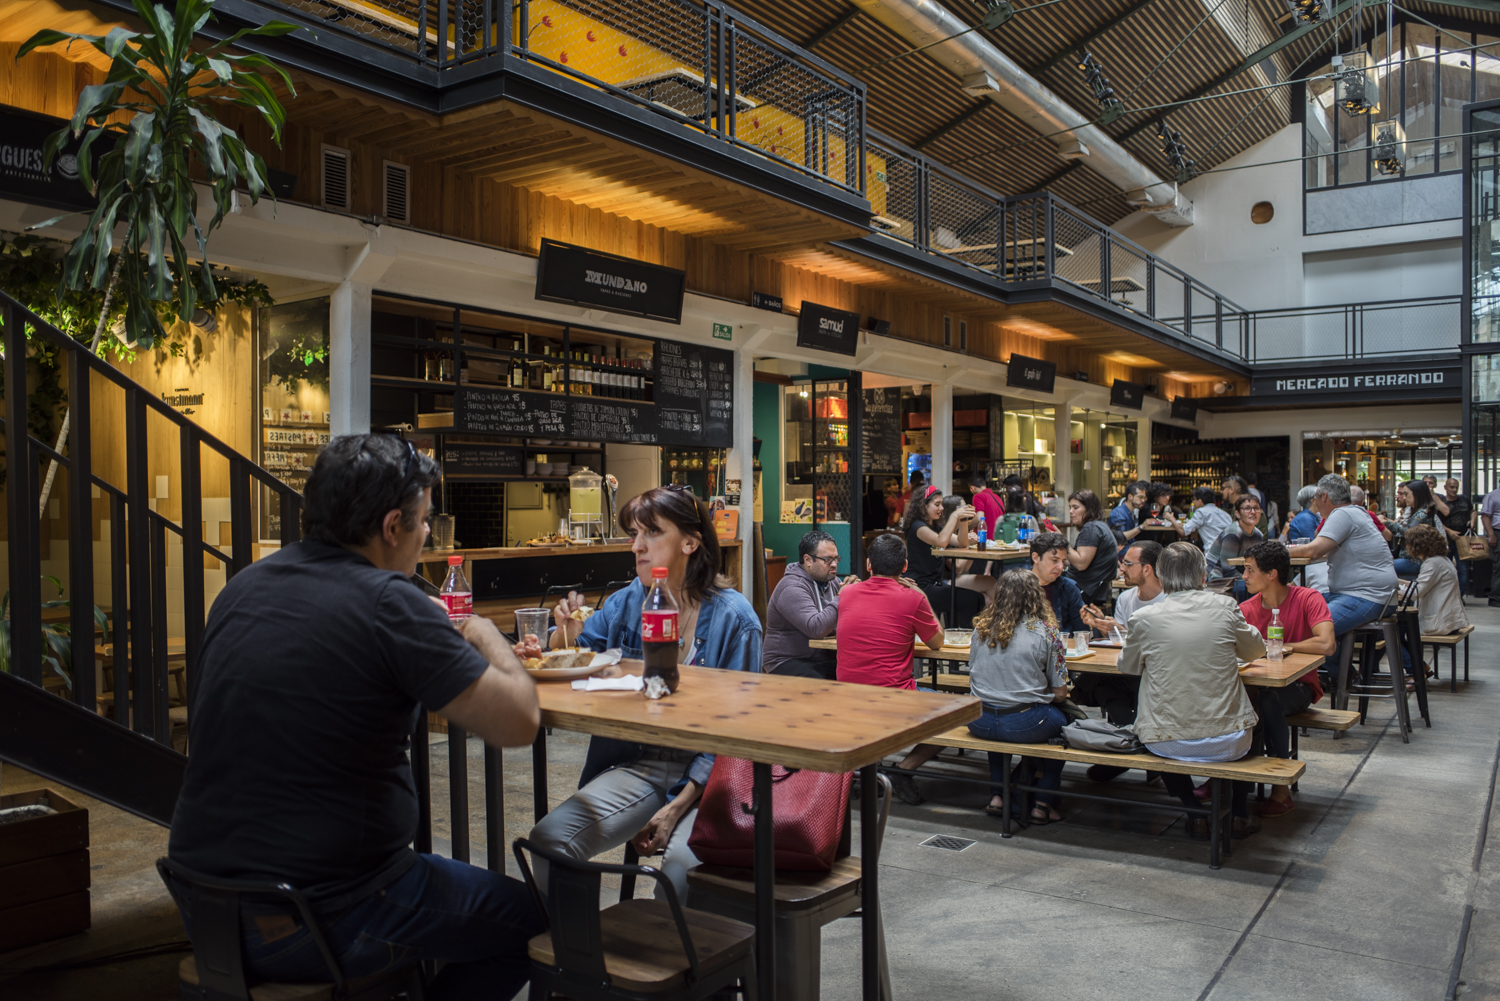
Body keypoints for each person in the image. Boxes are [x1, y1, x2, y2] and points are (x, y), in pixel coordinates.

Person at [167, 434, 545, 999]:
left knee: (431, 883)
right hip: (321, 917)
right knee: (533, 928)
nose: (426, 538)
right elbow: (518, 722)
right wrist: (489, 634)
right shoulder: (390, 603)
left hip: (204, 907)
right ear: (392, 526)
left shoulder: (243, 586)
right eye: (423, 523)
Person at [530, 486, 762, 901]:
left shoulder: (736, 620)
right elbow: (579, 650)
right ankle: (580, 962)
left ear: (690, 542)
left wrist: (677, 807)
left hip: (713, 776)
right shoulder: (626, 603)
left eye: (651, 533)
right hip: (639, 763)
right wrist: (556, 634)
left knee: (681, 873)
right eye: (633, 534)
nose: (636, 546)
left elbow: (740, 734)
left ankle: (683, 965)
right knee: (551, 842)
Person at [1117, 543, 1266, 840]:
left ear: (1160, 574)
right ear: (1203, 575)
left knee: (1159, 730)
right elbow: (1255, 650)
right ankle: (1237, 813)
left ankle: (1194, 811)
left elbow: (1128, 667)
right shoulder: (1224, 607)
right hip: (1229, 740)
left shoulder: (1144, 619)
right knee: (1254, 719)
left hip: (1167, 742)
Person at [836, 533, 945, 804]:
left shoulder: (846, 593)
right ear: (905, 566)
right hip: (893, 698)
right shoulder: (912, 599)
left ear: (869, 564)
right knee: (956, 712)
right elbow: (937, 643)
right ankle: (902, 771)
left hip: (846, 697)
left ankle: (866, 772)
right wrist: (920, 593)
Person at [1237, 541, 1335, 818]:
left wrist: (1287, 645)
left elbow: (1327, 644)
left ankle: (1280, 788)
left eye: (1249, 570)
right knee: (1239, 702)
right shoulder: (1246, 608)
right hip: (1255, 685)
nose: (1244, 577)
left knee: (1269, 701)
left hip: (1299, 685)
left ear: (1272, 574)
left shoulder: (1308, 598)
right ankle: (1228, 780)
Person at [965, 571, 1071, 826]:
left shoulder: (980, 629)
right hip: (1025, 723)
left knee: (997, 716)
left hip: (979, 720)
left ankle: (997, 796)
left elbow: (972, 672)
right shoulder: (1047, 632)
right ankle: (1042, 803)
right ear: (1037, 597)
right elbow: (1059, 693)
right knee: (1065, 728)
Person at [1077, 541, 1164, 781]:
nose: (1121, 569)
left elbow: (1164, 645)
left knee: (1096, 685)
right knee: (1100, 682)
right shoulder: (1126, 598)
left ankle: (1130, 748)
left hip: (1160, 676)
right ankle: (1141, 745)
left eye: (1127, 563)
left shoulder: (1170, 599)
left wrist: (1122, 631)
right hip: (1127, 670)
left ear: (1147, 569)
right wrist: (1104, 626)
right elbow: (1121, 644)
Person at [1289, 474, 1399, 643]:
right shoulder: (1358, 511)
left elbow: (1315, 550)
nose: (1315, 504)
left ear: (1324, 496)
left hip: (1365, 595)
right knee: (1300, 608)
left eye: (1316, 498)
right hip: (1369, 593)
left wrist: (1279, 551)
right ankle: (1341, 669)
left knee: (1309, 631)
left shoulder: (1342, 514)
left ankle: (1339, 670)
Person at [902, 485, 991, 627]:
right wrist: (954, 516)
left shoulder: (936, 527)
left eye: (941, 504)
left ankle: (965, 637)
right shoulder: (917, 526)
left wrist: (963, 521)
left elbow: (961, 542)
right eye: (937, 504)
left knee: (975, 598)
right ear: (923, 506)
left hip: (935, 583)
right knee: (970, 599)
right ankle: (964, 639)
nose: (941, 508)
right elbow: (941, 541)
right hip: (920, 586)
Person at [763, 529, 848, 679]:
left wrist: (857, 594)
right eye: (828, 560)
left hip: (822, 658)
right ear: (808, 560)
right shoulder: (791, 588)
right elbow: (816, 628)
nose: (834, 565)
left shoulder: (832, 582)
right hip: (787, 660)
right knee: (820, 684)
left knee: (858, 672)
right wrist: (842, 596)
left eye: (836, 559)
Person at [1406, 524, 1469, 640]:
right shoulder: (1443, 560)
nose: (1407, 546)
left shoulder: (1432, 563)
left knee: (1395, 633)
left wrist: (1396, 587)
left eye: (1408, 543)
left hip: (1440, 623)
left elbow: (1415, 594)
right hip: (1450, 621)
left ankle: (1412, 659)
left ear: (1417, 545)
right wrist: (1400, 582)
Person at [1063, 489, 1119, 605]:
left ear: (1089, 509)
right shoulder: (1101, 526)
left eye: (1075, 507)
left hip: (1085, 591)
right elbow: (1078, 562)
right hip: (1095, 590)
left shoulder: (1091, 528)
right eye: (1070, 507)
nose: (1070, 511)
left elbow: (1081, 564)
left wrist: (1062, 541)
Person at [1206, 494, 1266, 601]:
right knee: (1258, 590)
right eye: (1247, 508)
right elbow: (1228, 570)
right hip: (1218, 580)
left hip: (1239, 577)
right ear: (1237, 514)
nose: (1253, 512)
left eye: (1256, 508)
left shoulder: (1258, 535)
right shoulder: (1233, 534)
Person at [1029, 531, 1086, 634]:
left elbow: (1081, 632)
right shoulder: (1017, 587)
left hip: (1062, 647)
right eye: (1054, 560)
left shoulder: (1069, 588)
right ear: (1036, 558)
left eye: (1063, 561)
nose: (1060, 567)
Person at [1391, 479, 1441, 579]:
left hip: (1414, 560)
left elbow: (1407, 532)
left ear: (1417, 495)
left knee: (1383, 567)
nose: (1404, 498)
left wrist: (1387, 523)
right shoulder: (1416, 511)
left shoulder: (1422, 513)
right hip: (1412, 558)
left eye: (1406, 494)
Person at [1167, 486, 1233, 554]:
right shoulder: (1225, 514)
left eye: (1194, 499)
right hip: (1229, 552)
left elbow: (1183, 531)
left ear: (1200, 501)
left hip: (1212, 553)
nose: (1193, 502)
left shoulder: (1201, 512)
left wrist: (1171, 518)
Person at [1438, 478, 1473, 599]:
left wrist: (1472, 521)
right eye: (1451, 487)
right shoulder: (1442, 503)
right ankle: (1446, 597)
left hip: (1462, 539)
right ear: (1445, 487)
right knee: (1446, 570)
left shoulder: (1464, 499)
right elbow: (1436, 521)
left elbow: (1473, 511)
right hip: (1445, 540)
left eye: (1456, 487)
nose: (1454, 489)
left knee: (1463, 569)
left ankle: (1459, 597)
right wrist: (1449, 531)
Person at [968, 470, 1005, 539]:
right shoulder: (997, 497)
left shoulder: (978, 496)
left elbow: (979, 517)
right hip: (999, 538)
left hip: (985, 538)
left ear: (973, 488)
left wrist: (968, 526)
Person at [1482, 482, 1500, 607]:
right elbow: (1485, 516)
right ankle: (1495, 598)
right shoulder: (1493, 496)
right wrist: (1491, 534)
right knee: (1499, 566)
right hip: (1498, 532)